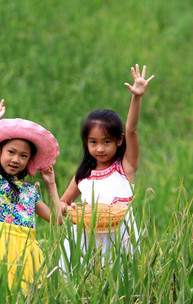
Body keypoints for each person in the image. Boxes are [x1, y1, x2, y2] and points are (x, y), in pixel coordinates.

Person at [59, 64, 154, 272]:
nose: (99, 148)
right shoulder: (84, 176)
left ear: (119, 141)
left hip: (119, 239)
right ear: (86, 142)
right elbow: (63, 203)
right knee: (85, 286)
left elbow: (132, 130)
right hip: (85, 241)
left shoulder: (125, 167)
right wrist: (70, 210)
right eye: (93, 142)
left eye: (106, 142)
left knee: (119, 283)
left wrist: (136, 97)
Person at [0, 96, 61, 296]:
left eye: (23, 156)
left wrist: (51, 184)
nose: (16, 159)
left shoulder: (30, 191)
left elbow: (57, 220)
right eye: (11, 152)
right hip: (0, 249)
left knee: (28, 302)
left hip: (29, 253)